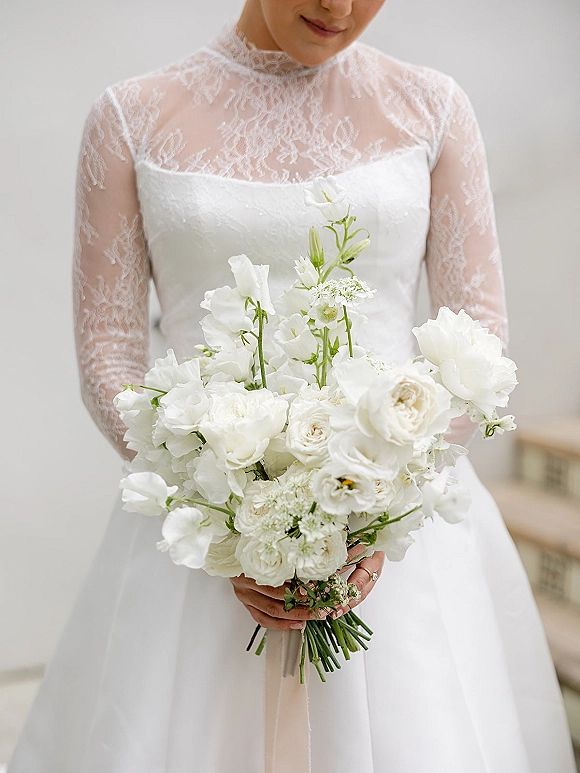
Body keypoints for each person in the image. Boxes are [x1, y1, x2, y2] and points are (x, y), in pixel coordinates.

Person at [8, 1, 576, 771]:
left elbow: (478, 333)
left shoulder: (432, 108)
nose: (339, 9)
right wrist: (227, 521)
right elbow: (109, 352)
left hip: (400, 547)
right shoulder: (130, 118)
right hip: (201, 542)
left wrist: (381, 512)